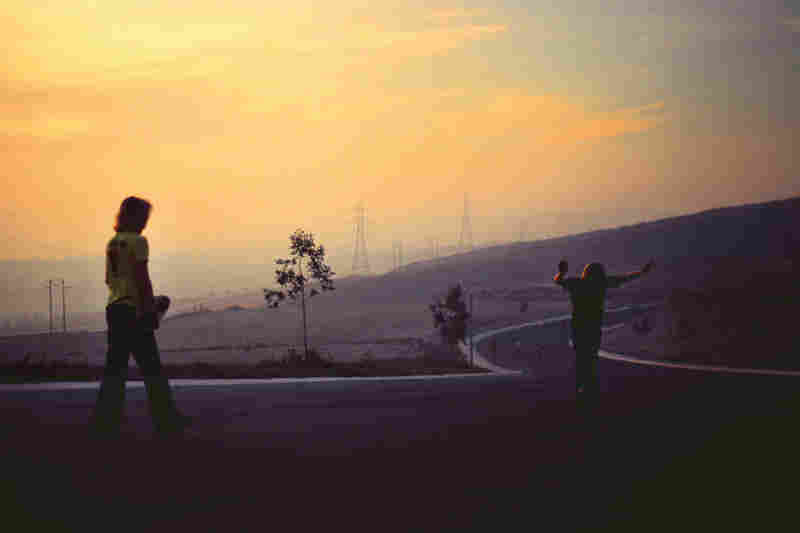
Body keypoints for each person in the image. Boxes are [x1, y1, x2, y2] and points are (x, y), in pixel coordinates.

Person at [90, 196, 190, 438]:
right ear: (133, 217)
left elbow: (109, 280)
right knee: (152, 369)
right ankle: (166, 421)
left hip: (114, 309)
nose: (145, 222)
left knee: (115, 369)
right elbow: (141, 279)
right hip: (135, 311)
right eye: (143, 217)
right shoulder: (138, 241)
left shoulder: (112, 243)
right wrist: (150, 312)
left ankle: (105, 422)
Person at [554, 258, 655, 405]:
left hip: (579, 326)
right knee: (590, 356)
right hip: (593, 325)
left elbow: (558, 281)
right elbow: (625, 278)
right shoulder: (601, 283)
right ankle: (588, 387)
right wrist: (641, 273)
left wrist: (561, 273)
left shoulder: (578, 283)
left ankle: (583, 387)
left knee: (582, 356)